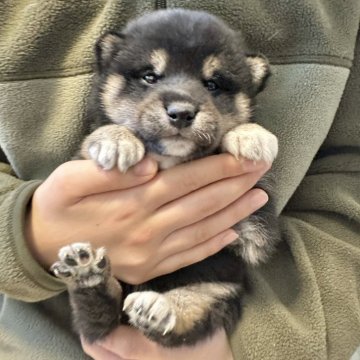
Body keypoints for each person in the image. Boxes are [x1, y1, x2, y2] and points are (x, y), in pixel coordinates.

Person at [0, 1, 359, 359]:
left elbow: (340, 179)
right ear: (108, 67)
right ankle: (97, 286)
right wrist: (27, 234)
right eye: (150, 77)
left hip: (226, 310)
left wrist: (258, 345)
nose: (183, 106)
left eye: (214, 84)